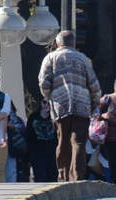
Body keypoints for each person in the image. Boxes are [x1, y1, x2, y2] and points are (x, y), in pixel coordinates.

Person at [38, 31, 102, 182]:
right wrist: (94, 104)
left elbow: (44, 82)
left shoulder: (50, 58)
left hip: (60, 106)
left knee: (62, 141)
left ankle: (63, 175)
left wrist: (50, 97)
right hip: (82, 106)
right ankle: (77, 177)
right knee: (79, 141)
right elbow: (94, 85)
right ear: (73, 43)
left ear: (58, 43)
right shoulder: (84, 59)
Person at [25, 95, 59, 183]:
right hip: (37, 151)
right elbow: (28, 136)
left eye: (49, 103)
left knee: (52, 175)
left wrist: (52, 116)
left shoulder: (55, 117)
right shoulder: (33, 117)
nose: (47, 105)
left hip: (52, 150)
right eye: (44, 102)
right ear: (40, 103)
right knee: (40, 175)